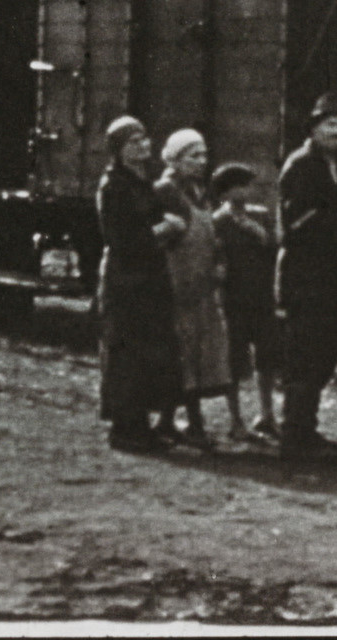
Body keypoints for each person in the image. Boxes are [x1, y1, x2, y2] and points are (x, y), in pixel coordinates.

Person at [95, 116, 183, 454]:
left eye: (145, 139)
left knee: (150, 350)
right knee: (126, 352)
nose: (142, 146)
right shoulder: (113, 185)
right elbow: (120, 238)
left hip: (149, 276)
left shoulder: (142, 181)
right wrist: (162, 230)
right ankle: (125, 428)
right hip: (125, 279)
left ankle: (140, 425)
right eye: (133, 142)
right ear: (118, 150)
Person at [276, 92, 337, 462]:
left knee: (321, 353)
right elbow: (296, 223)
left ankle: (305, 428)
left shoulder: (330, 162)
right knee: (305, 355)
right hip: (305, 274)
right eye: (330, 125)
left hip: (323, 273)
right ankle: (295, 434)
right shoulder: (303, 165)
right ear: (314, 128)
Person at [155, 129, 233, 451]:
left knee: (197, 356)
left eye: (203, 155)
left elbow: (207, 231)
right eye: (193, 156)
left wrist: (218, 260)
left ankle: (167, 421)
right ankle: (194, 425)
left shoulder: (199, 190)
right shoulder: (165, 190)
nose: (201, 162)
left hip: (200, 284)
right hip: (177, 283)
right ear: (174, 158)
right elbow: (161, 236)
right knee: (183, 354)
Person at [212, 162, 281, 442]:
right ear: (226, 191)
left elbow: (275, 247)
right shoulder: (218, 221)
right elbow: (216, 260)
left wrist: (260, 233)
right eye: (242, 185)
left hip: (262, 297)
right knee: (234, 361)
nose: (249, 190)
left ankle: (267, 415)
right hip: (234, 299)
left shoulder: (261, 216)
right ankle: (236, 419)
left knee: (267, 360)